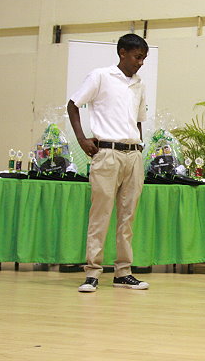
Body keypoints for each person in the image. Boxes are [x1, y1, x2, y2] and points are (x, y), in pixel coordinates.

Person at [67, 33, 150, 292]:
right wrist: (82, 139)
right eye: (137, 57)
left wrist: (138, 143)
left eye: (144, 59)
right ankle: (92, 273)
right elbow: (73, 105)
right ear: (122, 53)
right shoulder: (101, 76)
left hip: (133, 155)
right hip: (107, 154)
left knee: (128, 217)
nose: (140, 63)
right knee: (100, 214)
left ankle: (123, 272)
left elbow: (138, 119)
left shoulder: (139, 84)